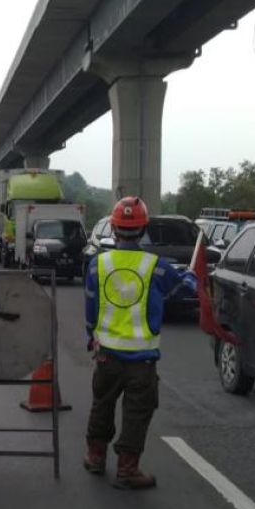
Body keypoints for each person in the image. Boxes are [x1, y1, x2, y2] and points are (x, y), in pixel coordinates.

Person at [83, 196, 196, 489]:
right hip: (142, 360)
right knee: (137, 413)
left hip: (106, 355)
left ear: (114, 228)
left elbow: (91, 308)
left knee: (102, 405)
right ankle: (127, 469)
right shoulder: (156, 267)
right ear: (143, 228)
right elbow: (182, 288)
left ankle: (95, 458)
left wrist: (90, 336)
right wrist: (192, 278)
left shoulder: (98, 265)